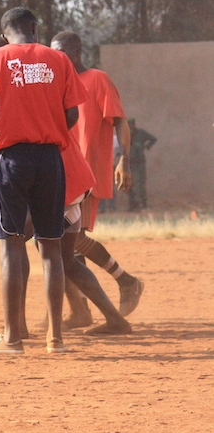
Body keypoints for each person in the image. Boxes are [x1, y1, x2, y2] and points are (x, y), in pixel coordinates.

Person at [0, 7, 87, 356]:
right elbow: (73, 113)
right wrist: (48, 132)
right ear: (35, 28)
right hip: (51, 159)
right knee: (51, 247)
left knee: (10, 245)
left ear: (5, 34)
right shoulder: (59, 60)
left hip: (13, 158)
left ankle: (13, 340)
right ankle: (56, 339)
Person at [51, 31, 145, 317]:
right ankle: (81, 309)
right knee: (67, 243)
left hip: (88, 173)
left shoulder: (97, 79)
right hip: (63, 171)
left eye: (61, 53)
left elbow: (120, 121)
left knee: (68, 239)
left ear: (77, 53)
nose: (56, 59)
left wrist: (124, 161)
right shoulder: (57, 85)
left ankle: (126, 281)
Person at [128, 119, 156, 211]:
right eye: (129, 125)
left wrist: (146, 146)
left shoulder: (141, 133)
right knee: (129, 185)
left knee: (139, 184)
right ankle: (132, 206)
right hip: (129, 163)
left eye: (131, 124)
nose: (130, 126)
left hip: (139, 162)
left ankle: (142, 204)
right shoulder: (125, 134)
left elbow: (153, 139)